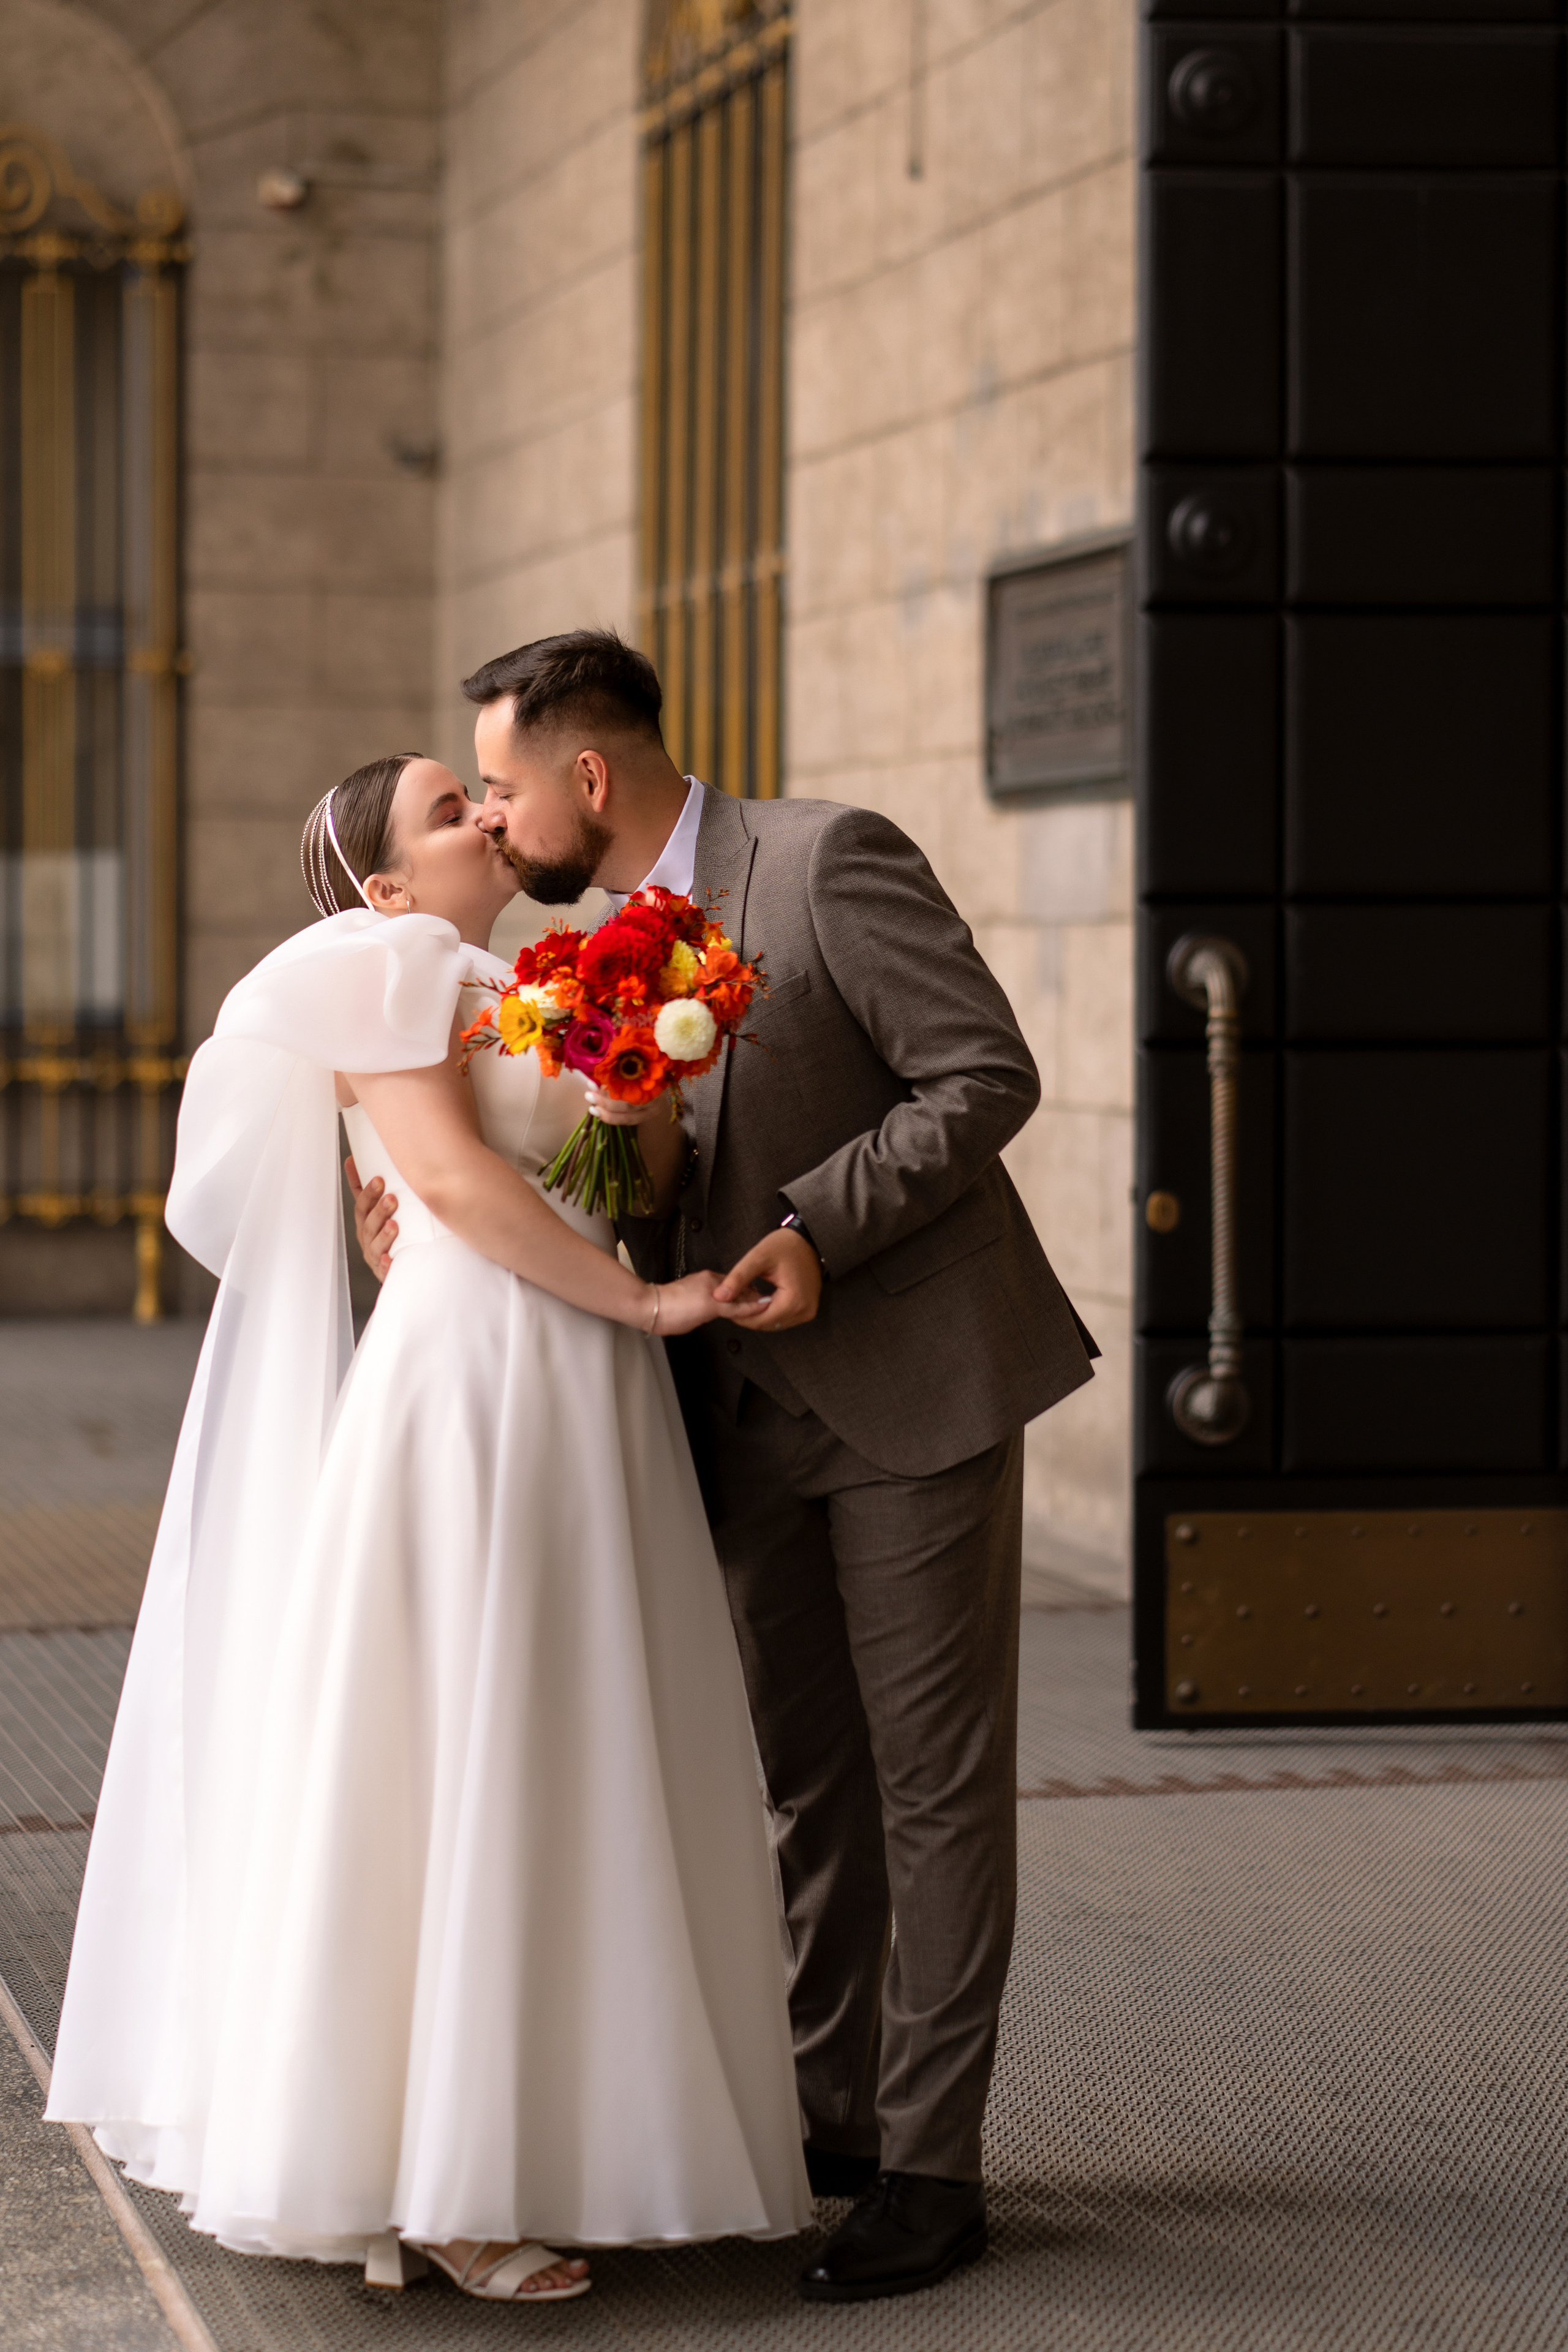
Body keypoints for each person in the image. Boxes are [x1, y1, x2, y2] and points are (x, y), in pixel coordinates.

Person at [353, 633, 1099, 2303]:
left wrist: (811, 1227)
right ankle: (832, 2111)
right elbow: (594, 1167)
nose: (492, 810)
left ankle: (931, 2165)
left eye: (502, 781)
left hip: (910, 1386)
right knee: (806, 1787)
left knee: (933, 1786)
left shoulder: (828, 862)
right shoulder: (565, 956)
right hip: (723, 1411)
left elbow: (985, 1075)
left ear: (587, 780)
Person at [46, 752, 813, 2300]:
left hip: (581, 1370)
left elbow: (634, 1174)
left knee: (576, 1737)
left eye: (474, 788)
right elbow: (453, 1184)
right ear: (386, 882)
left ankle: (552, 2135)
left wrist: (631, 1067)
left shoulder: (522, 971)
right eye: (441, 810)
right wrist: (646, 1298)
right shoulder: (382, 963)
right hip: (477, 1373)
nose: (479, 810)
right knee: (468, 1732)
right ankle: (439, 2178)